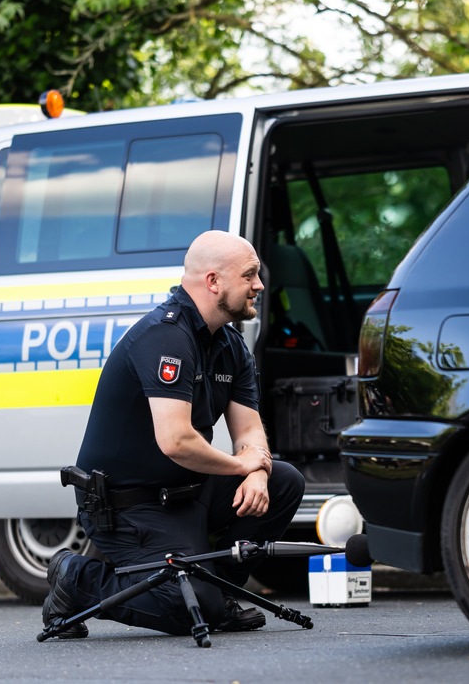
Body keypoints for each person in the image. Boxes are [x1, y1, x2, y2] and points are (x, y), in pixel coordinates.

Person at [41, 231, 304, 638]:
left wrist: (256, 471)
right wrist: (240, 464)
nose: (259, 286)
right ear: (213, 281)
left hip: (184, 492)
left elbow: (249, 429)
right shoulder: (165, 337)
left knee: (282, 481)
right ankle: (75, 576)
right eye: (250, 275)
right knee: (186, 610)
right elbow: (176, 440)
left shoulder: (230, 345)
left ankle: (219, 593)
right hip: (127, 506)